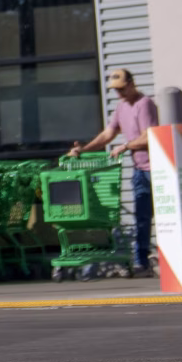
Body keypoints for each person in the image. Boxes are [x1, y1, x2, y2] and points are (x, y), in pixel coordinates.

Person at [68, 69, 157, 276]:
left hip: (156, 168)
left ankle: (162, 257)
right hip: (139, 170)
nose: (119, 94)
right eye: (116, 91)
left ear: (132, 84)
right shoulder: (121, 107)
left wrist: (125, 146)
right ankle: (141, 262)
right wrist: (83, 149)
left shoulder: (144, 104)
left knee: (160, 215)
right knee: (142, 217)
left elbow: (149, 136)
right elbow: (108, 134)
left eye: (122, 89)